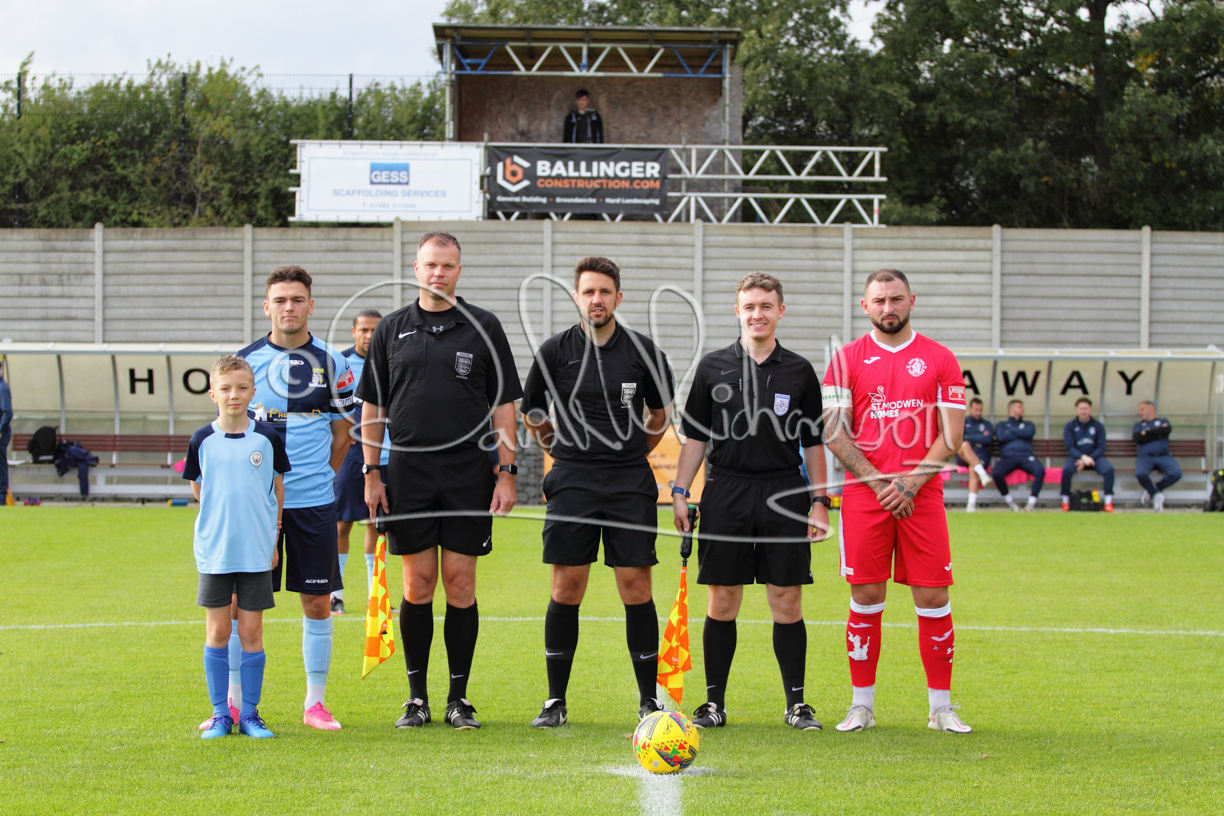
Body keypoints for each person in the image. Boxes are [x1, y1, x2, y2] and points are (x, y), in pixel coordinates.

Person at [359, 231, 522, 731]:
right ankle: (416, 699)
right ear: (416, 268)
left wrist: (506, 472)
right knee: (417, 583)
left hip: (468, 473)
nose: (438, 273)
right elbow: (373, 407)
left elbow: (504, 405)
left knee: (460, 583)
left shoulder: (484, 326)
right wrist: (371, 471)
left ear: (458, 270)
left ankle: (458, 698)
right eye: (431, 264)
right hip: (408, 472)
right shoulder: (391, 329)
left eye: (447, 265)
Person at [519, 256, 674, 729]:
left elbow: (660, 415)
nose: (597, 299)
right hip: (572, 481)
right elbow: (533, 413)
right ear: (576, 297)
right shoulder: (554, 351)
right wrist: (561, 451)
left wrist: (631, 451)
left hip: (629, 482)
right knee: (566, 587)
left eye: (605, 291)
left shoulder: (644, 352)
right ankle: (555, 701)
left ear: (618, 298)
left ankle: (648, 701)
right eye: (588, 291)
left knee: (636, 587)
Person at [671, 272, 828, 732]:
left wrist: (820, 501)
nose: (757, 314)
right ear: (737, 311)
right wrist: (680, 492)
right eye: (750, 306)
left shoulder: (799, 371)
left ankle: (796, 704)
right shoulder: (712, 366)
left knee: (787, 599)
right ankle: (713, 704)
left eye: (766, 306)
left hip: (784, 493)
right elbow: (695, 438)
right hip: (726, 491)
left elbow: (813, 443)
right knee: (723, 599)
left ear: (781, 311)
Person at [822, 268, 972, 735]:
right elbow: (834, 432)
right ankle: (861, 706)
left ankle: (940, 708)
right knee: (866, 596)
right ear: (865, 306)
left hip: (922, 496)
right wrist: (881, 483)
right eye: (879, 300)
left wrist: (909, 484)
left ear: (912, 300)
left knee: (933, 596)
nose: (888, 308)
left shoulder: (941, 358)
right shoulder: (845, 360)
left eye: (896, 299)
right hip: (865, 497)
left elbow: (952, 434)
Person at [236, 266, 355, 731]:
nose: (289, 307)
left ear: (311, 305)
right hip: (256, 507)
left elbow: (343, 434)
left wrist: (317, 478)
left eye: (298, 299)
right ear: (266, 306)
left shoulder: (334, 362)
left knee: (317, 603)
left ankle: (315, 704)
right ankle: (234, 705)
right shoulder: (244, 362)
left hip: (314, 503)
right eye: (281, 300)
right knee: (241, 607)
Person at [184, 356, 289, 740]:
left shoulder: (267, 439)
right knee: (216, 631)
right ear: (213, 394)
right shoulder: (202, 440)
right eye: (225, 388)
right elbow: (199, 488)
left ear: (253, 392)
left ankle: (250, 714)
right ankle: (219, 715)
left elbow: (276, 489)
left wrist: (274, 538)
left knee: (251, 631)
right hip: (215, 551)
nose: (234, 395)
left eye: (242, 388)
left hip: (256, 551)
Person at [332, 308, 390, 615]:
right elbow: (327, 407)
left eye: (375, 330)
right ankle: (335, 594)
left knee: (376, 526)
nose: (369, 336)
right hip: (351, 457)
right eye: (364, 330)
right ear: (354, 332)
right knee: (341, 524)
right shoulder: (339, 364)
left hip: (389, 457)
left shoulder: (392, 361)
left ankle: (375, 596)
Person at [1061, 397, 1114, 512]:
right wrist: (1083, 458)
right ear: (1077, 409)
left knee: (1109, 470)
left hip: (1094, 457)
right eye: (1081, 409)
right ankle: (1065, 502)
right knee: (1066, 471)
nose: (1083, 411)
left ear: (1090, 409)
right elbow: (1070, 447)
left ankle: (1108, 503)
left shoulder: (1098, 426)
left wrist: (1089, 459)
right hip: (1076, 457)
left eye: (1086, 409)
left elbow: (1101, 447)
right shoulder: (1070, 426)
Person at [991, 399, 1045, 512]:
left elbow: (1029, 432)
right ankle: (1011, 503)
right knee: (997, 473)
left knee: (1040, 470)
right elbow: (1001, 437)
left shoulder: (1028, 424)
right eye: (1019, 407)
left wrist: (1010, 431)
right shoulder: (1001, 424)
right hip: (1008, 456)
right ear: (1012, 409)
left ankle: (1031, 504)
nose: (1022, 409)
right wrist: (1020, 433)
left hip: (1026, 456)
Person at [1133, 401, 1181, 512]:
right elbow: (1138, 438)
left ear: (1151, 409)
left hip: (1163, 456)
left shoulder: (1163, 421)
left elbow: (1166, 430)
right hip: (1145, 457)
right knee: (1140, 474)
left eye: (1142, 409)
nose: (1140, 412)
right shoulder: (1138, 425)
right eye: (1139, 410)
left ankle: (1153, 490)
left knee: (1176, 473)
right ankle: (1156, 495)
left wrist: (1147, 433)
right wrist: (1158, 434)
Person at [957, 397, 993, 512]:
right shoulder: (963, 422)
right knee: (965, 445)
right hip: (964, 456)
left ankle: (971, 505)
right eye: (976, 410)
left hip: (981, 455)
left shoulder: (986, 424)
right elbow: (960, 439)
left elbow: (988, 440)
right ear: (970, 408)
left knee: (973, 468)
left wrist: (969, 437)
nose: (978, 413)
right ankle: (983, 475)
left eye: (980, 410)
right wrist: (979, 438)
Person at [0, 360, 11, 502]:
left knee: (1, 466)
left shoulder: (2, 388)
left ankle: (1, 499)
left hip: (2, 434)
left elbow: (7, 412)